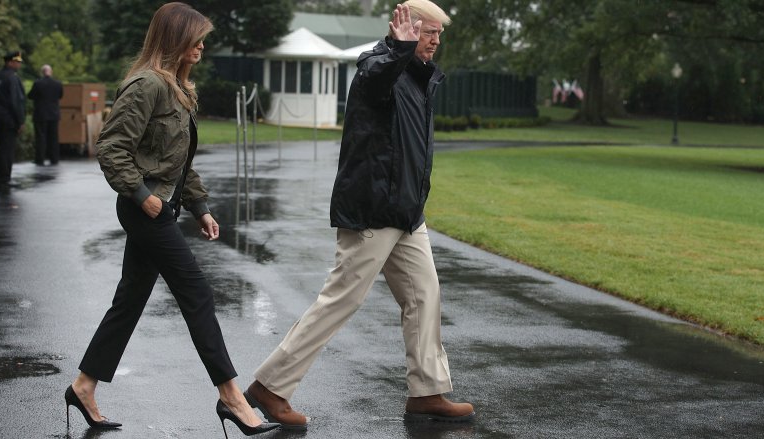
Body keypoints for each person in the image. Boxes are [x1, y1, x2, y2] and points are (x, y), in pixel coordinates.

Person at [243, 0, 475, 430]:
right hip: (372, 210)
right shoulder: (378, 63)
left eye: (439, 34)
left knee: (425, 297)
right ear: (404, 29)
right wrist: (398, 49)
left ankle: (427, 393)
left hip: (407, 213)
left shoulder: (422, 78)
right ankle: (270, 387)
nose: (435, 41)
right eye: (428, 32)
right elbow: (376, 76)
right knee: (340, 301)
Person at [65, 3, 279, 437]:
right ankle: (232, 398)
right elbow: (110, 148)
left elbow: (177, 161)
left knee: (129, 300)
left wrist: (200, 206)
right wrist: (143, 198)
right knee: (197, 291)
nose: (201, 45)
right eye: (195, 38)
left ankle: (83, 386)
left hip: (163, 205)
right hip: (146, 209)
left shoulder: (178, 87)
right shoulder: (146, 85)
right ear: (174, 40)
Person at [0, 50, 25, 186]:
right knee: (7, 148)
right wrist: (20, 121)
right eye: (17, 62)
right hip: (9, 118)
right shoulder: (12, 78)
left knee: (0, 146)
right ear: (10, 62)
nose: (19, 65)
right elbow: (16, 101)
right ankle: (4, 177)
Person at [27, 64, 63, 165]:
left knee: (40, 137)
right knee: (53, 137)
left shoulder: (38, 83)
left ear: (42, 72)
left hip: (40, 114)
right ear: (50, 72)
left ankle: (40, 159)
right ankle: (54, 159)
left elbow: (30, 95)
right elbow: (60, 96)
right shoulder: (58, 84)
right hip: (54, 114)